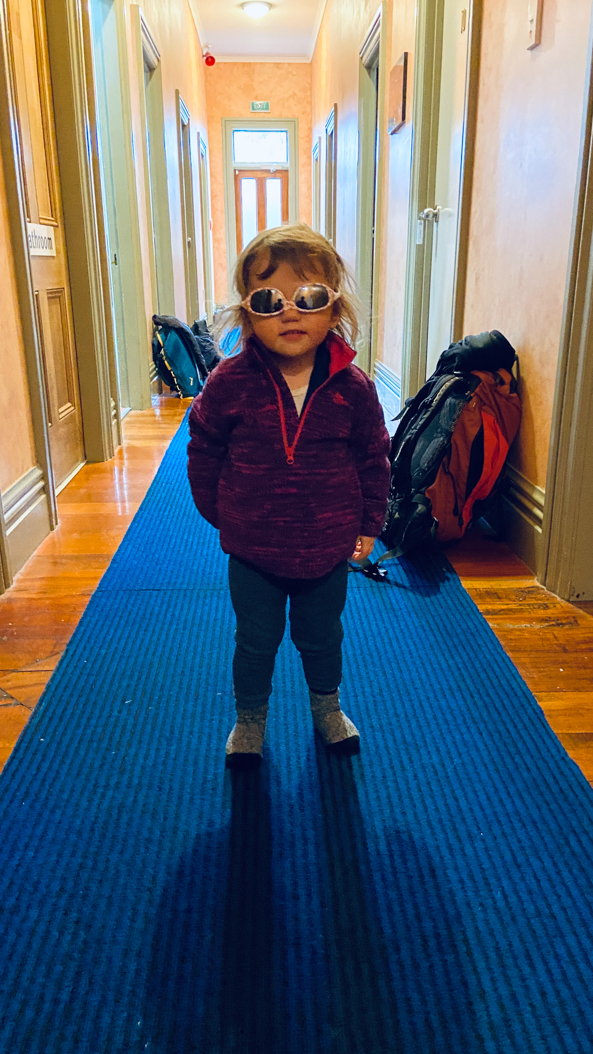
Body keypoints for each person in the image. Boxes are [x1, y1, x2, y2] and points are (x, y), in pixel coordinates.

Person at [187, 223, 391, 768]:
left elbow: (374, 457)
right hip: (252, 550)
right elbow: (203, 444)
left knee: (322, 637)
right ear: (247, 313)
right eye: (268, 300)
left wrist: (369, 524)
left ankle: (328, 707)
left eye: (310, 297)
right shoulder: (229, 383)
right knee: (255, 641)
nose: (290, 313)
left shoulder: (354, 389)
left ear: (334, 308)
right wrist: (217, 510)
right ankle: (249, 719)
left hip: (328, 548)